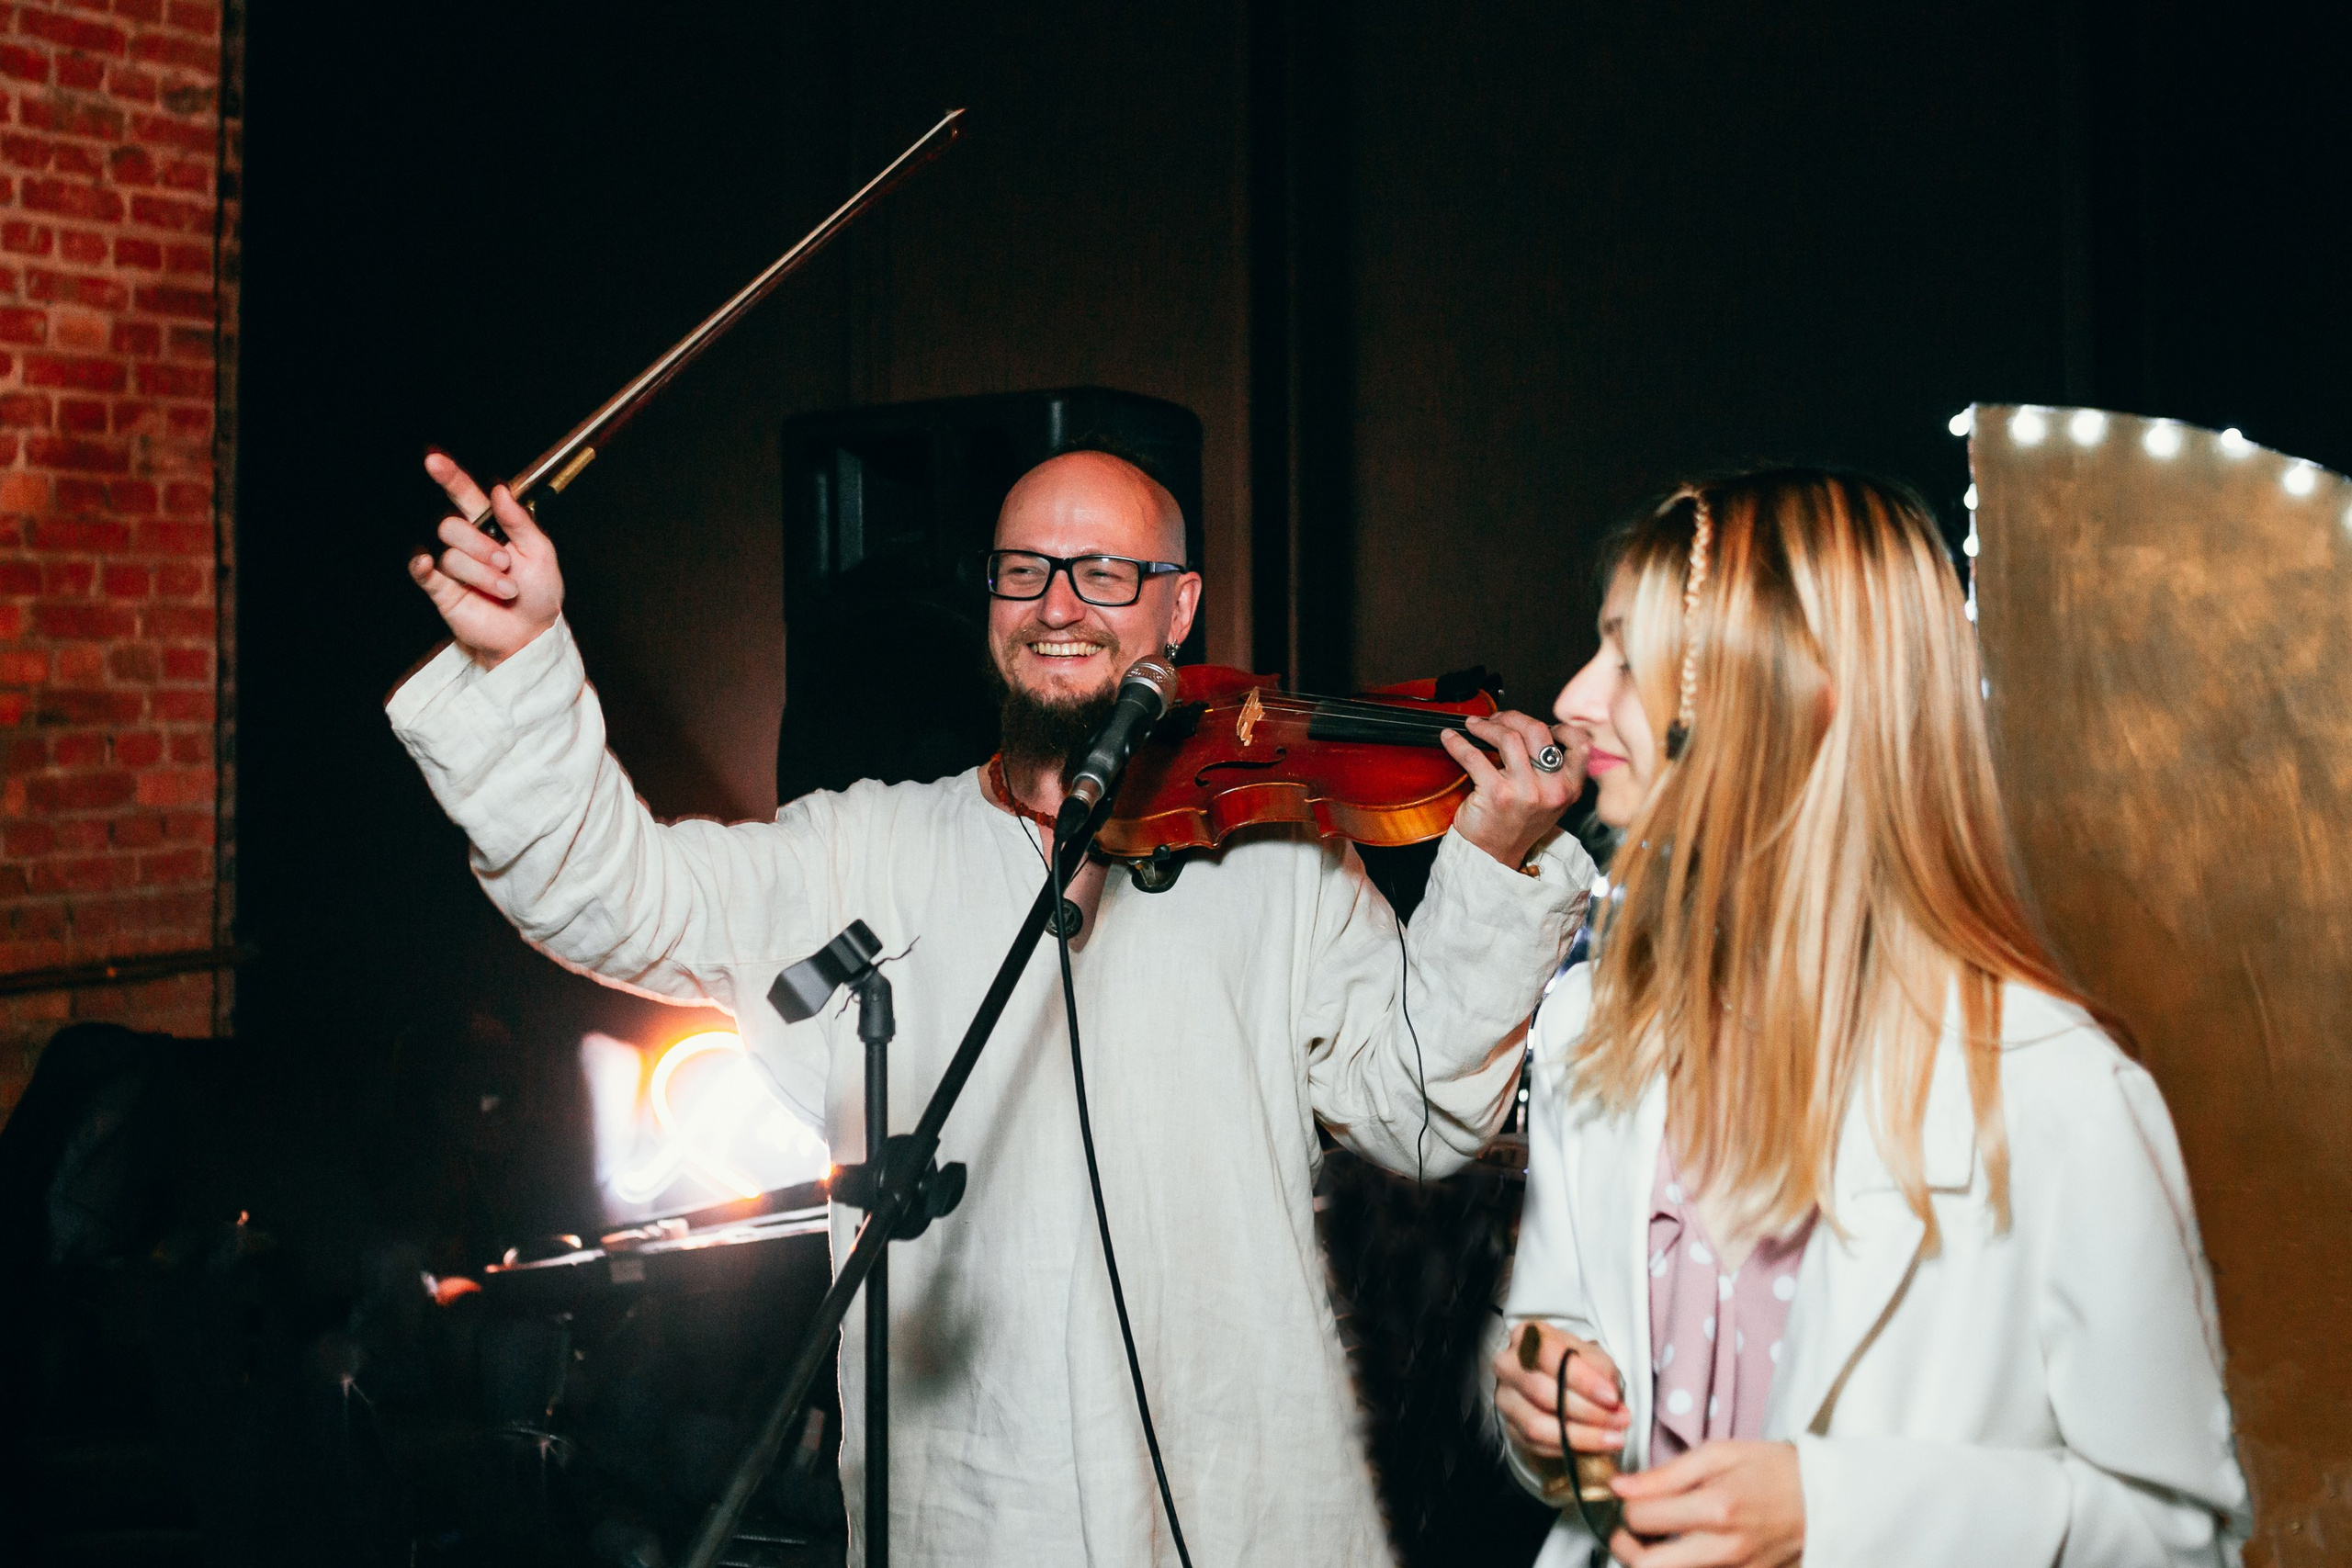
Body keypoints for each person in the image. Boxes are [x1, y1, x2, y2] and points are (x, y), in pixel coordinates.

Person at [391, 446, 1596, 1566]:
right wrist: (524, 663)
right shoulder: (868, 844)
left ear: (1181, 611)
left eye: (1107, 571)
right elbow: (614, 891)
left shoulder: (1281, 857)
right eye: (1025, 569)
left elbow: (1424, 1116)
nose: (1059, 604)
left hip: (1245, 1509)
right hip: (975, 1516)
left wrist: (1494, 862)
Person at [1492, 470, 2249, 1567]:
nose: (1573, 694)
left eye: (1627, 655)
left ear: (1794, 693)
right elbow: (1561, 1329)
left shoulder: (2053, 1089)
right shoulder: (1591, 1029)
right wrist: (1545, 1398)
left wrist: (1837, 1514)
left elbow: (2182, 1535)